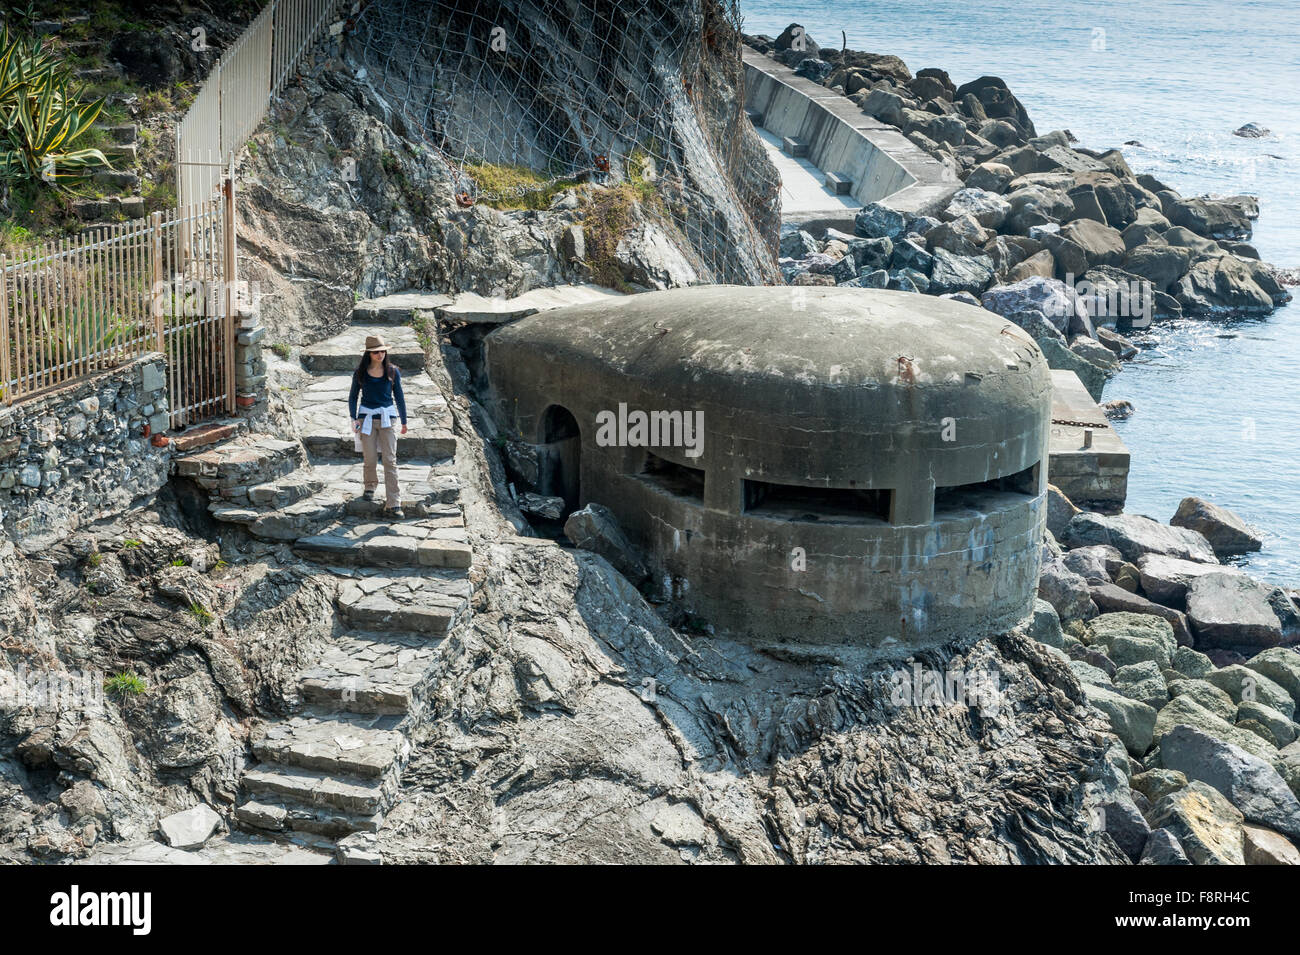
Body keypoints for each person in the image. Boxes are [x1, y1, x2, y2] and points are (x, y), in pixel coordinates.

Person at [348, 335, 408, 518]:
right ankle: (370, 486)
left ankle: (394, 502)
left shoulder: (392, 371)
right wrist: (353, 418)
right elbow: (353, 396)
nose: (380, 354)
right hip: (366, 419)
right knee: (370, 457)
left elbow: (399, 396)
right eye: (376, 352)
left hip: (387, 419)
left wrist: (404, 421)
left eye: (382, 351)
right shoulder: (360, 372)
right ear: (369, 353)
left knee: (390, 459)